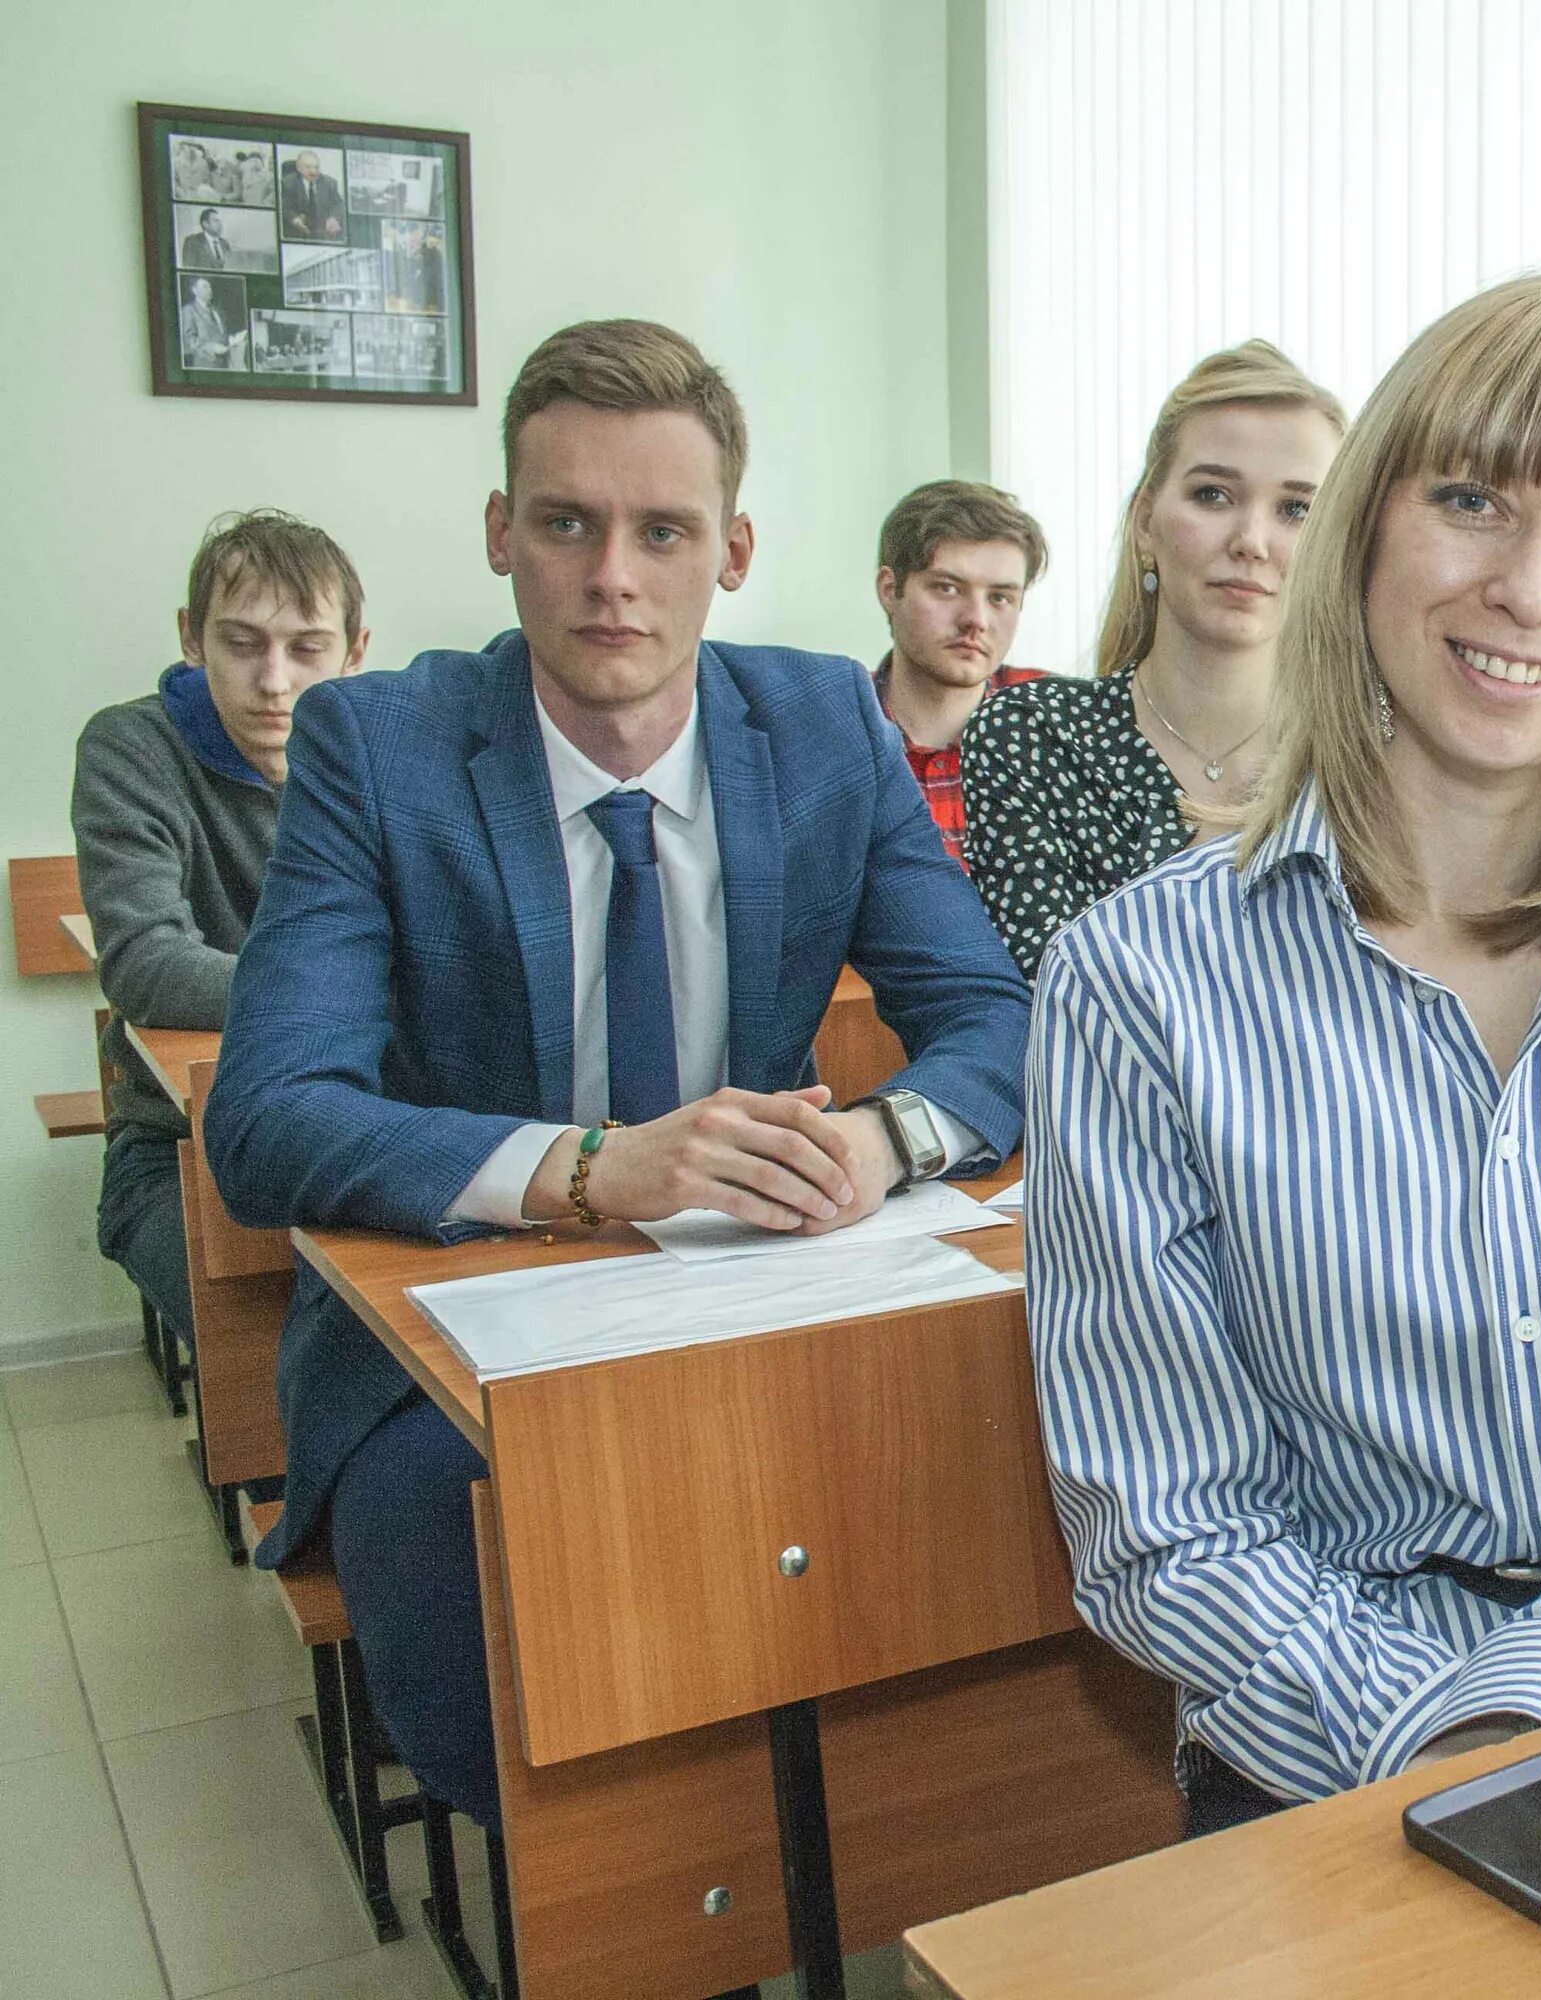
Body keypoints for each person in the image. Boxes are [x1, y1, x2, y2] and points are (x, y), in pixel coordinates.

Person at [1025, 274, 1541, 1835]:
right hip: (1323, 1750)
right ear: (1367, 531)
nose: (1532, 587)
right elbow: (1168, 1523)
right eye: (1473, 500)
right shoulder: (1136, 980)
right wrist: (1452, 1737)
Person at [202, 319, 1033, 1826]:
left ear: (733, 549)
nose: (612, 578)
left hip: (767, 1286)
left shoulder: (825, 725)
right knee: (502, 1677)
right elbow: (264, 1122)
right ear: (500, 535)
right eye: (568, 524)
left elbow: (998, 1016)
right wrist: (593, 1167)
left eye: (664, 531)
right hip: (464, 1325)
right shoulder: (376, 745)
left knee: (980, 1531)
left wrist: (881, 1139)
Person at [74, 511, 370, 1374]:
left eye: (306, 648)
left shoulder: (380, 752)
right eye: (241, 643)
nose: (274, 681)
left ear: (356, 650)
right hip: (174, 1147)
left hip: (354, 1127)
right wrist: (342, 1001)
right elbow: (144, 963)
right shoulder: (132, 747)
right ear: (190, 638)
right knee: (288, 1368)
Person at [957, 342, 1341, 975]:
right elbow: (1057, 1004)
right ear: (1145, 521)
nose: (1251, 540)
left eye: (1296, 509)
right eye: (1214, 495)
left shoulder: (1376, 754)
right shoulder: (1037, 736)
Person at [870, 479, 1051, 862]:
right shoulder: (840, 734)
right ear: (889, 589)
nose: (977, 620)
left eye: (1000, 597)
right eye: (948, 588)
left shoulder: (1055, 724)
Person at [279, 148, 343, 240]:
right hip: (297, 233)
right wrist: (295, 220)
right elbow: (284, 206)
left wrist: (334, 218)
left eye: (316, 167)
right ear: (299, 168)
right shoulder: (287, 183)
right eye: (308, 167)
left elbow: (339, 204)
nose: (313, 171)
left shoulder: (330, 183)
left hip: (322, 232)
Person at [178, 278, 232, 369]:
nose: (209, 290)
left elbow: (221, 333)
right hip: (205, 363)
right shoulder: (189, 310)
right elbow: (189, 338)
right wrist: (210, 346)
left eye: (210, 287)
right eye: (205, 287)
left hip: (224, 364)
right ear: (195, 290)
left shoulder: (217, 310)